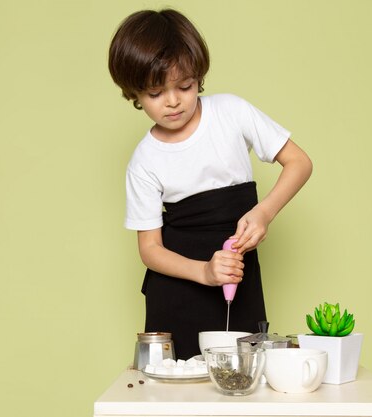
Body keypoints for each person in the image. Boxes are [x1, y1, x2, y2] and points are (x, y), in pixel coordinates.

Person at [108, 9, 313, 359]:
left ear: (198, 78)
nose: (172, 101)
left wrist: (264, 212)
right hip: (179, 286)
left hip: (239, 275)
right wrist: (204, 271)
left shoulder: (231, 113)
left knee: (244, 379)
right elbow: (150, 250)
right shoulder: (144, 160)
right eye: (156, 93)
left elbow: (299, 162)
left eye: (184, 86)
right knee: (177, 394)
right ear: (134, 94)